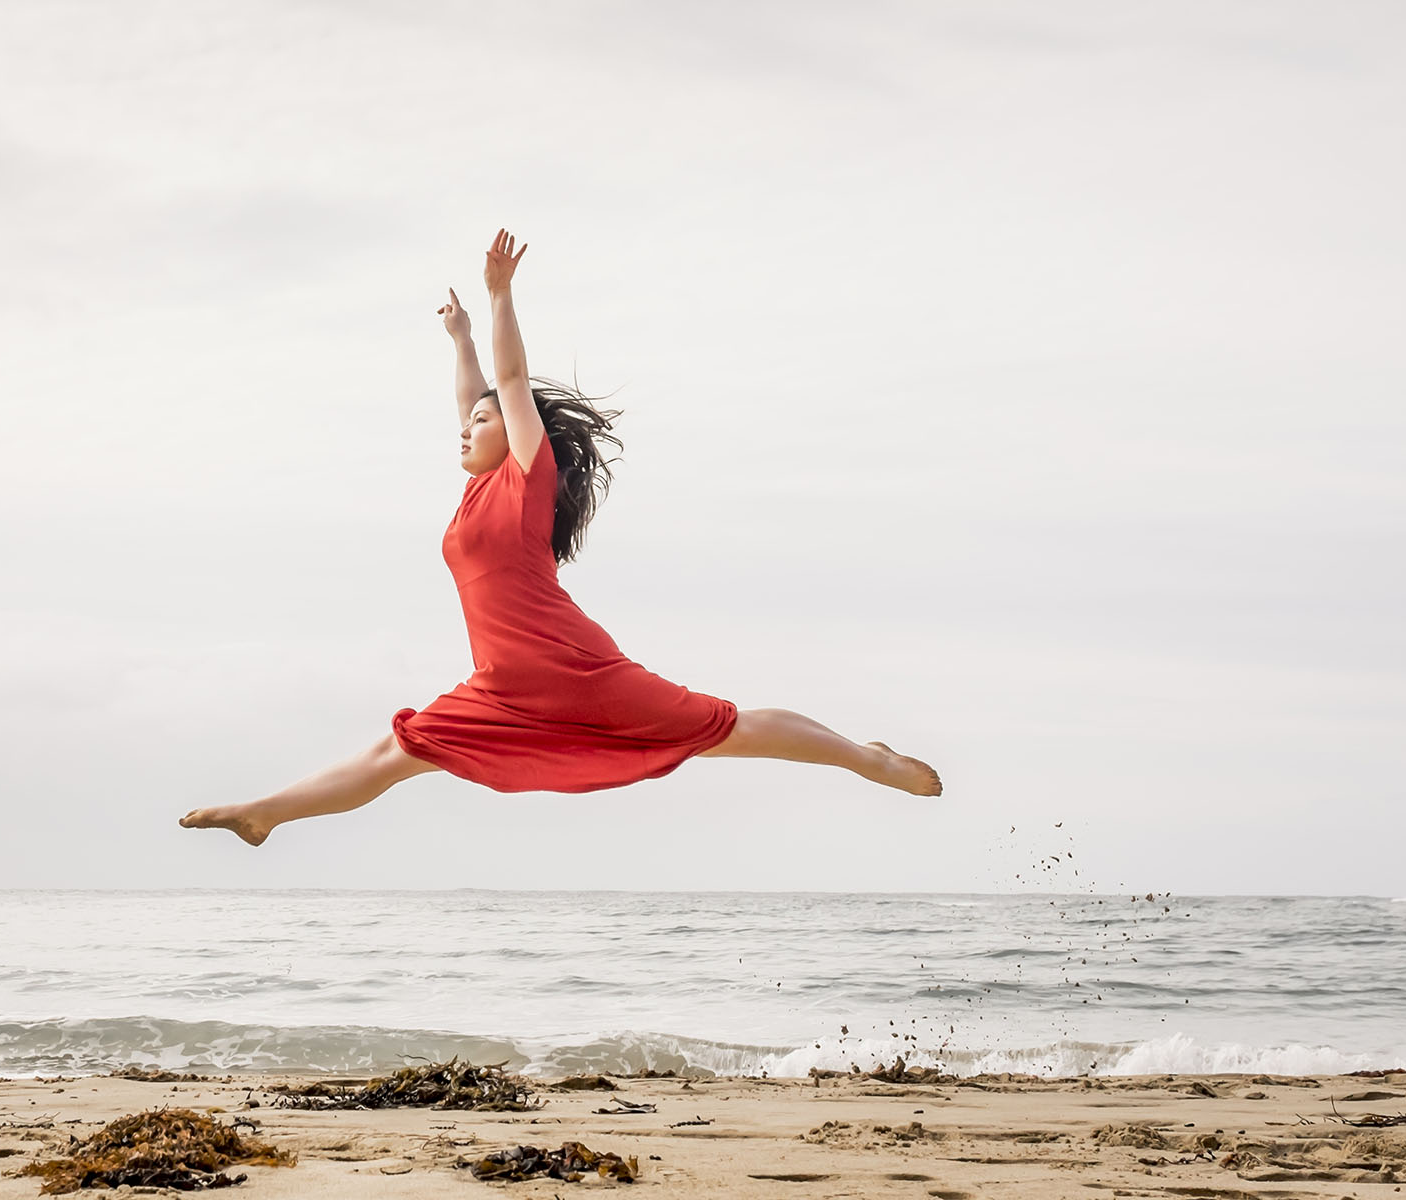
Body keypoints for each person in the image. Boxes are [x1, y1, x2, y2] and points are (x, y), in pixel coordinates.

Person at [181, 228, 941, 846]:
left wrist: (501, 298)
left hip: (571, 667)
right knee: (396, 752)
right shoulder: (478, 490)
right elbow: (477, 393)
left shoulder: (524, 477)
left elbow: (509, 387)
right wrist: (460, 340)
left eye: (482, 424)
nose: (466, 427)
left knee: (722, 728)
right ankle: (265, 814)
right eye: (469, 421)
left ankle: (864, 759)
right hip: (501, 687)